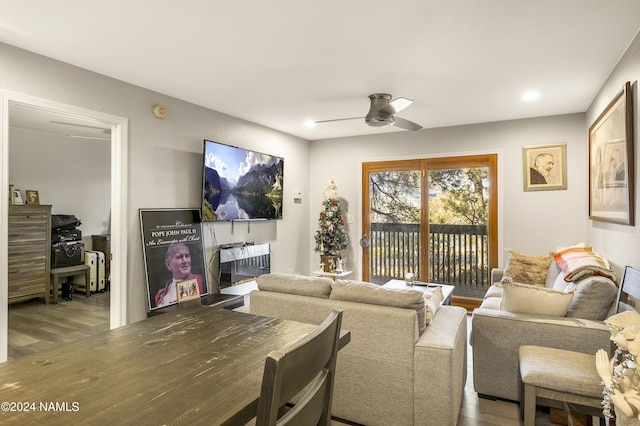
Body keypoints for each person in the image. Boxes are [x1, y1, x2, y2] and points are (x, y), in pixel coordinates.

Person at [154, 243, 205, 308]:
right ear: (168, 265)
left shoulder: (198, 280)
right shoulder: (160, 293)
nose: (185, 261)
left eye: (187, 256)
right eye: (179, 257)